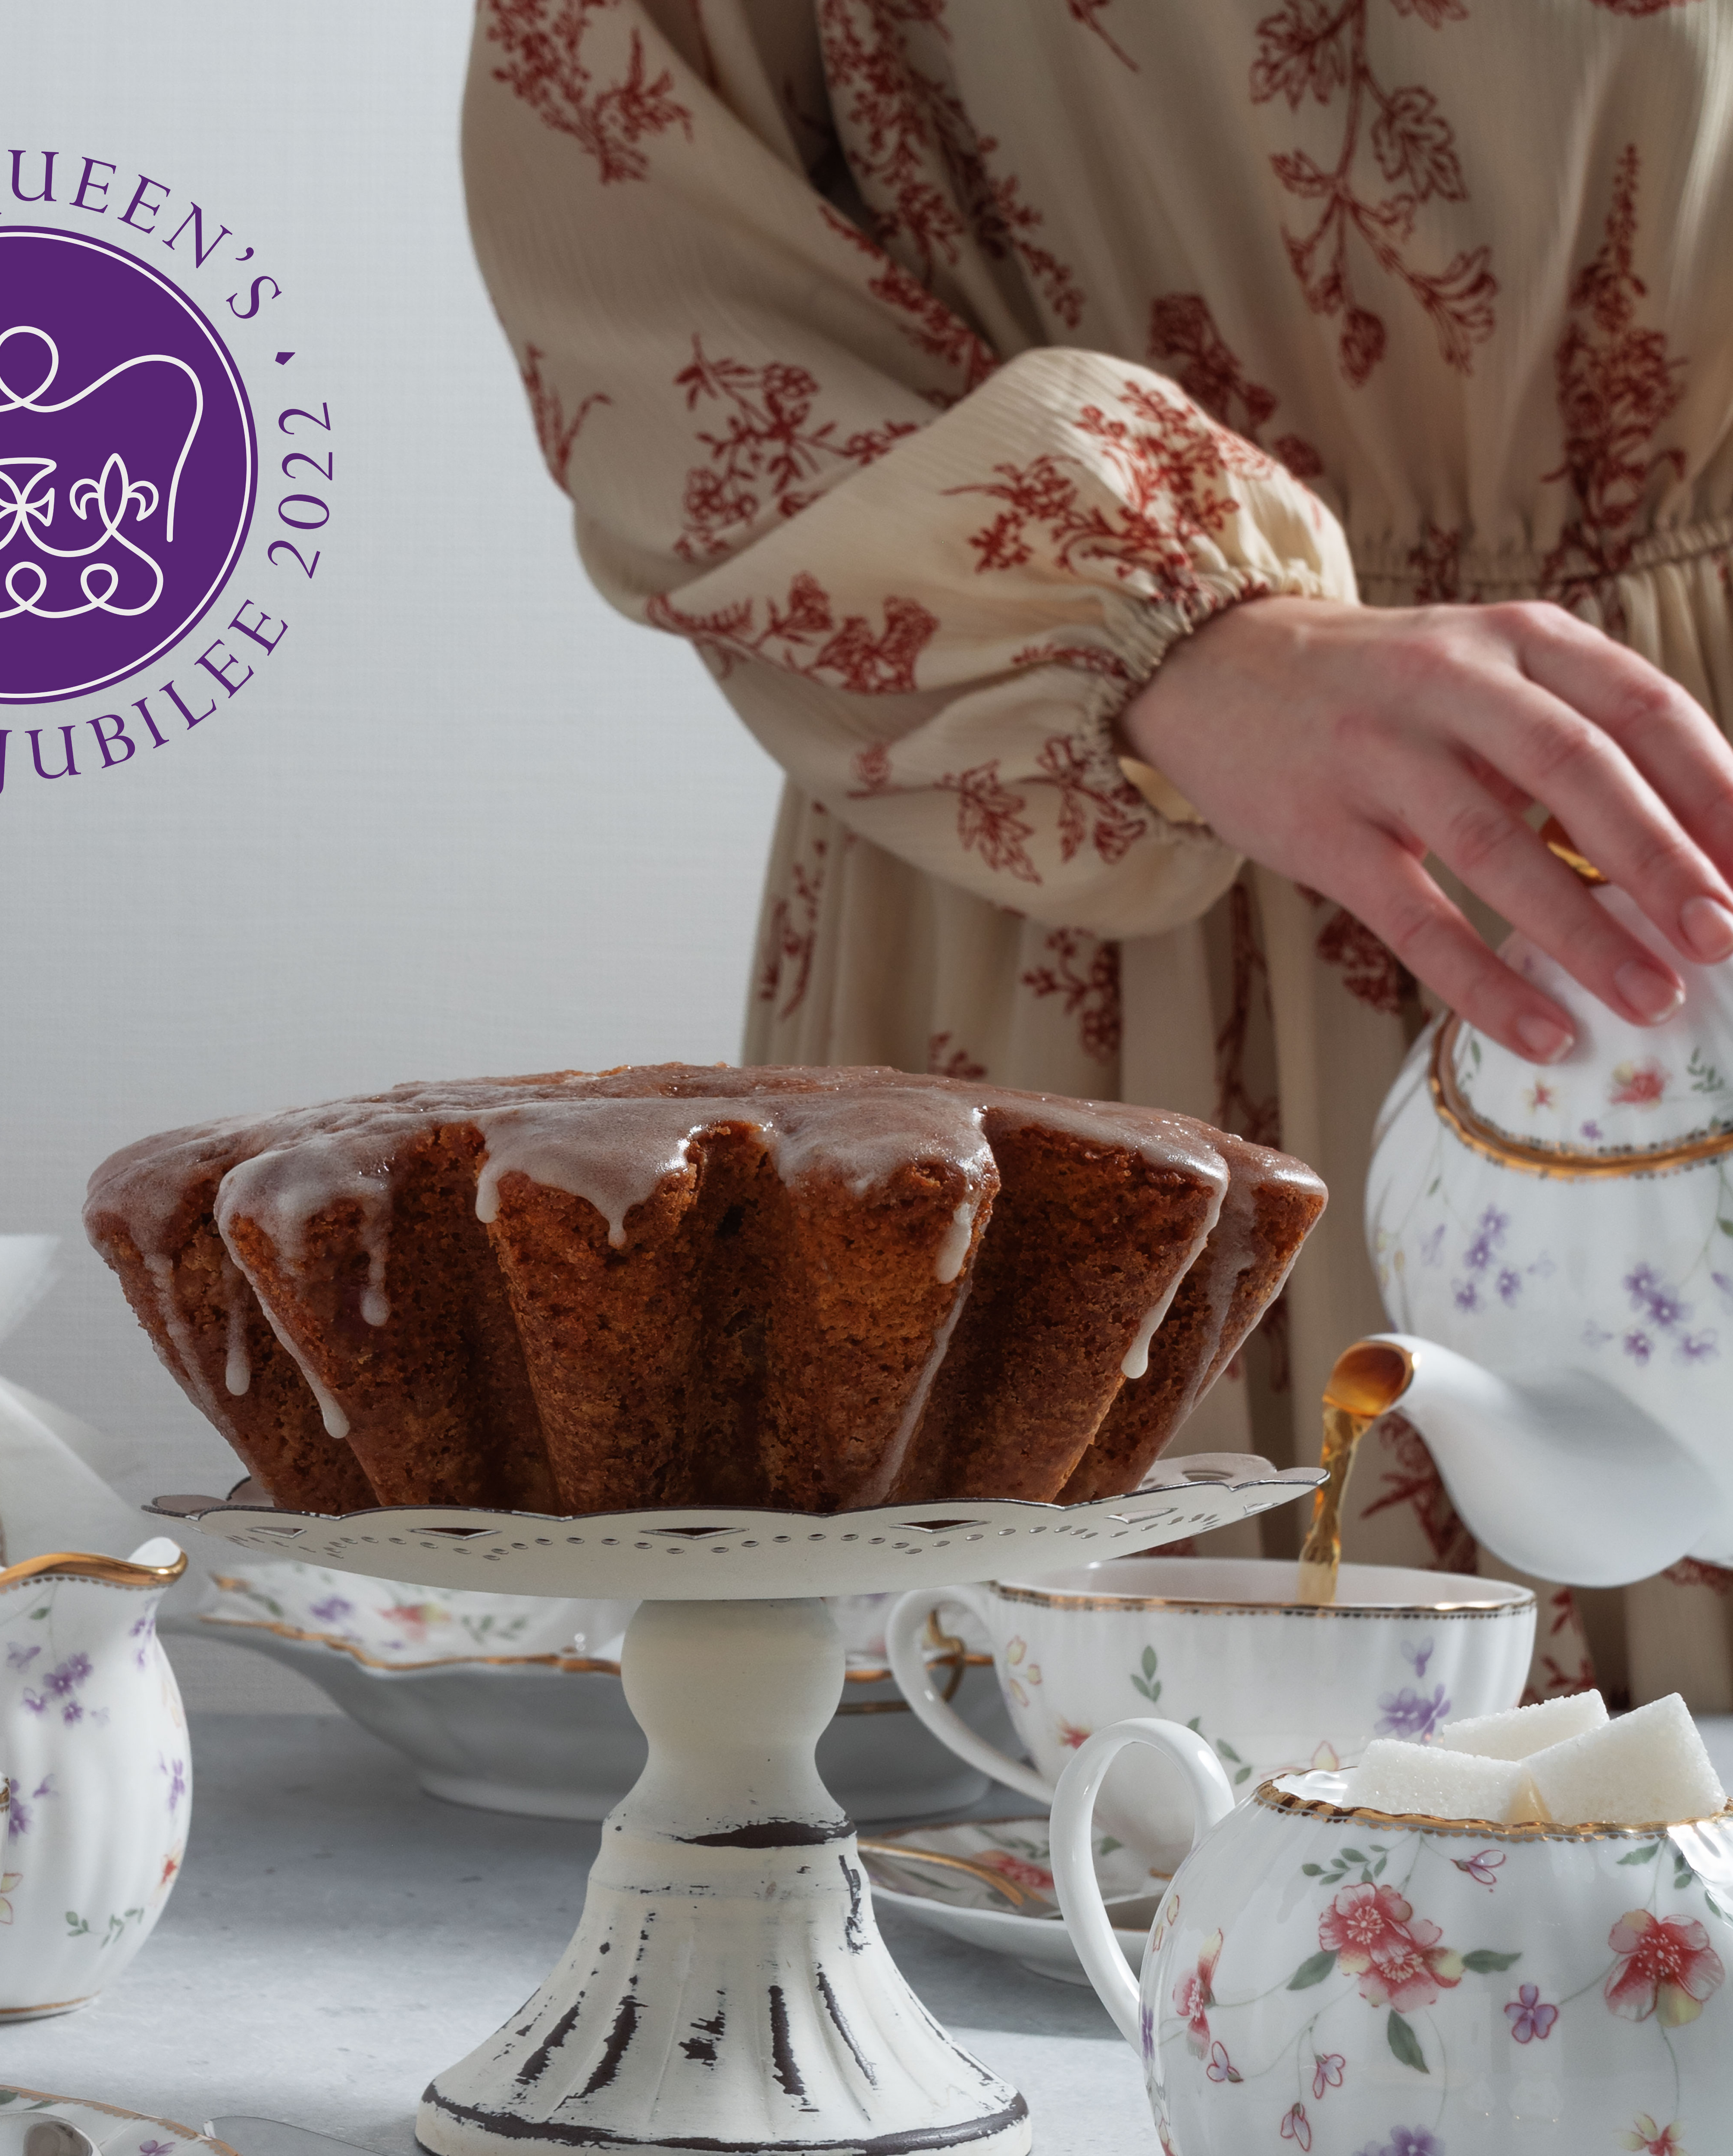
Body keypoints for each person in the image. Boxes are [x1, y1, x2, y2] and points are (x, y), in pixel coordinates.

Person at [461, 0, 1733, 1705]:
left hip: (1677, 798)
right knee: (1047, 1828)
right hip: (1088, 841)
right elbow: (629, 201)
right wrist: (1172, 631)